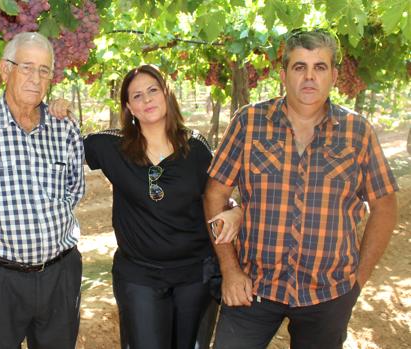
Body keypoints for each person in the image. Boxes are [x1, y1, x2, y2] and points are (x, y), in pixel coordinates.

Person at [205, 29, 399, 349]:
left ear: (334, 75)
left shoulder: (357, 132)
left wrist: (357, 281)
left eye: (319, 67)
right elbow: (215, 193)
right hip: (253, 286)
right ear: (284, 75)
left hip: (329, 293)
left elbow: (384, 206)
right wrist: (230, 270)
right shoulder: (249, 122)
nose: (309, 77)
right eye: (299, 67)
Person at [53, 64, 241, 349]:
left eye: (153, 90)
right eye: (137, 95)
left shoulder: (197, 148)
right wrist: (57, 114)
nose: (147, 99)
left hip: (194, 273)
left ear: (167, 94)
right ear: (129, 106)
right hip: (139, 275)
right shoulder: (110, 146)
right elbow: (60, 147)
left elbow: (219, 195)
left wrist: (237, 210)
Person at [0, 32, 85, 349]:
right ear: (5, 69)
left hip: (59, 276)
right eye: (27, 67)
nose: (35, 79)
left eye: (44, 70)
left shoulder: (64, 127)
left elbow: (75, 191)